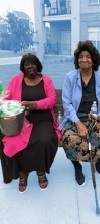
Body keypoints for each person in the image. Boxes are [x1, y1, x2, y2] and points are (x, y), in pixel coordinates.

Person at [0, 53, 61, 193]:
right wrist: (18, 108)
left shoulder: (46, 80)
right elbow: (7, 100)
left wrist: (35, 105)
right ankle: (22, 173)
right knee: (12, 141)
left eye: (33, 63)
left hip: (43, 119)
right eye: (26, 64)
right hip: (21, 121)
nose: (30, 66)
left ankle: (41, 172)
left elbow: (52, 99)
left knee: (44, 140)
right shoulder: (16, 80)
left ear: (38, 65)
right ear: (23, 67)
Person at [60, 40, 100, 186]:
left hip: (95, 117)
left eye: (87, 56)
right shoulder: (70, 77)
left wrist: (99, 116)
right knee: (70, 139)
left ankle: (96, 159)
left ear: (93, 60)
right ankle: (77, 166)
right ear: (77, 60)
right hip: (74, 118)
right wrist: (78, 124)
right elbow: (67, 103)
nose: (83, 59)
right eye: (80, 56)